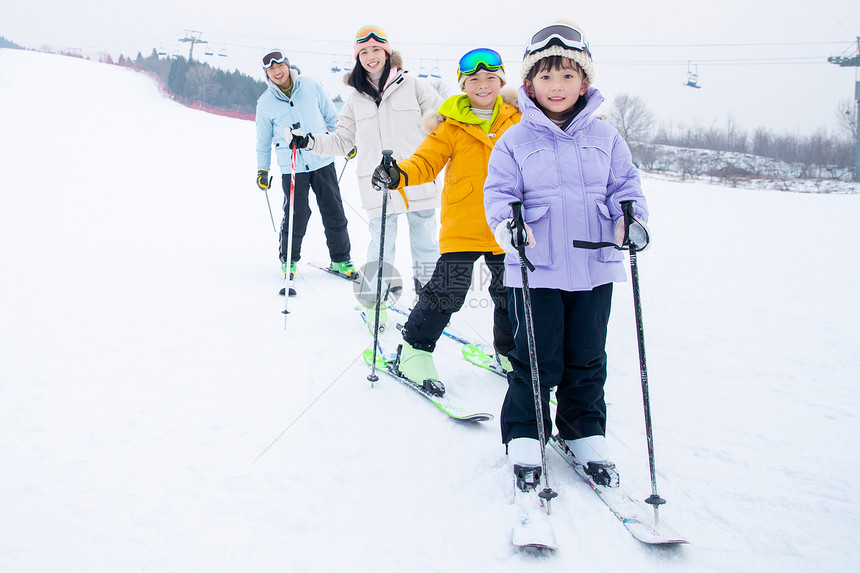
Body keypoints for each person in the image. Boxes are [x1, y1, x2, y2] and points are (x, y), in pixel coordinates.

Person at [483, 21, 649, 491]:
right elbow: (497, 194)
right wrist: (506, 227)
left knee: (588, 357)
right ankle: (526, 433)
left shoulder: (607, 138)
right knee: (536, 358)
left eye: (568, 76)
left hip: (596, 267)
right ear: (530, 83)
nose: (557, 87)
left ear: (585, 82)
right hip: (535, 270)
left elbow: (626, 189)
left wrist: (630, 221)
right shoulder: (514, 140)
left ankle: (583, 431)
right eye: (546, 77)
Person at [371, 48, 521, 394]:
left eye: (490, 78)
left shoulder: (519, 119)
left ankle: (509, 351)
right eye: (474, 80)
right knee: (447, 291)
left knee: (509, 293)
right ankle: (413, 352)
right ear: (463, 86)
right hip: (464, 225)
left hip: (508, 225)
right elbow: (425, 162)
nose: (483, 85)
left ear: (501, 81)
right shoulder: (451, 126)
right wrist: (398, 173)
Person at [289, 25, 442, 302]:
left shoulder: (414, 86)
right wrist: (309, 141)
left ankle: (430, 301)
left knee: (426, 245)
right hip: (378, 184)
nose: (371, 57)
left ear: (387, 53)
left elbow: (442, 123)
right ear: (358, 58)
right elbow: (342, 141)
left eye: (376, 50)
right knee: (380, 247)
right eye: (364, 52)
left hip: (417, 177)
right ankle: (375, 298)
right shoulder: (355, 100)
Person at [255, 49, 356, 294]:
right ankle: (288, 260)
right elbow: (263, 140)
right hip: (292, 166)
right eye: (271, 69)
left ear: (288, 66)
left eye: (280, 66)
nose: (277, 72)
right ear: (267, 74)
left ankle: (340, 259)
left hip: (321, 158)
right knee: (296, 214)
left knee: (333, 210)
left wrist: (346, 142)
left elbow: (332, 117)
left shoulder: (310, 86)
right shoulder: (265, 102)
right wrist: (262, 169)